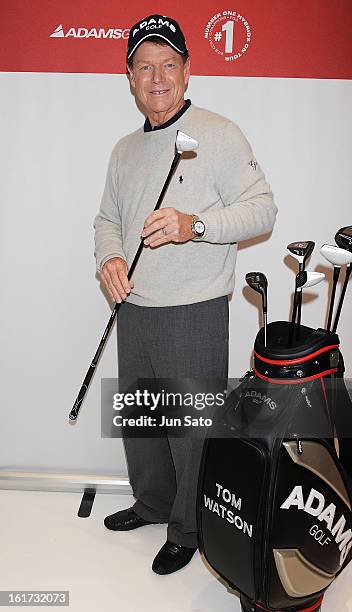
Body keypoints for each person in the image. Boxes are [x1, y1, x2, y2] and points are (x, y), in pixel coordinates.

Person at [94, 13, 277, 581]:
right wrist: (110, 259)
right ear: (129, 77)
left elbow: (263, 208)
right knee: (143, 425)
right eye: (144, 67)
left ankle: (187, 528)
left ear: (187, 71)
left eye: (168, 65)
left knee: (191, 431)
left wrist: (193, 224)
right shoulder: (124, 149)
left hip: (194, 310)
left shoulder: (219, 132)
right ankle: (151, 505)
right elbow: (106, 219)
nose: (157, 78)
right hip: (135, 310)